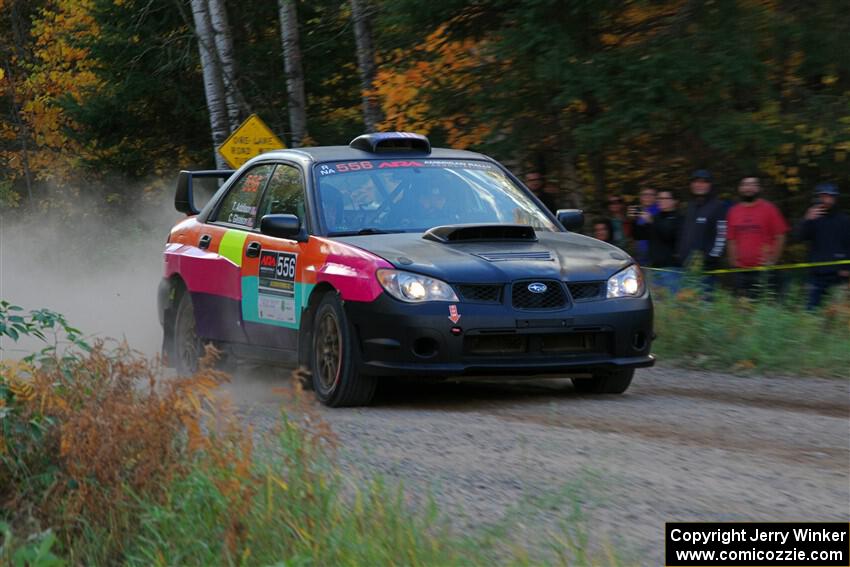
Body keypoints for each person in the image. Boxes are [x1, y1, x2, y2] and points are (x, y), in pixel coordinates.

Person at [726, 176, 789, 297]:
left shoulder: (769, 208)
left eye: (753, 184)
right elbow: (731, 239)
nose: (749, 188)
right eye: (745, 184)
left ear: (759, 188)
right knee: (742, 311)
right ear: (740, 188)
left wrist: (773, 261)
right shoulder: (733, 211)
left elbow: (780, 236)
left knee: (765, 309)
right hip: (741, 272)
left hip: (765, 272)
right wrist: (734, 263)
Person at [797, 182, 850, 309]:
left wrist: (847, 267)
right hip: (816, 273)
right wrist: (807, 220)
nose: (825, 200)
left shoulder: (844, 220)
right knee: (811, 311)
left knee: (838, 311)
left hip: (839, 274)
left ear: (835, 198)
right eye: (822, 196)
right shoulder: (813, 218)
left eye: (829, 196)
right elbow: (800, 237)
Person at [677, 169, 728, 274]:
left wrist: (710, 260)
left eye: (704, 182)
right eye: (696, 182)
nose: (699, 185)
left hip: (707, 269)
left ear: (710, 185)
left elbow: (722, 237)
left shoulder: (718, 207)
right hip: (686, 266)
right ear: (691, 185)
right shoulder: (688, 207)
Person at [632, 190, 682, 292]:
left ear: (674, 201)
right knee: (656, 304)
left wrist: (651, 222)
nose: (661, 201)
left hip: (671, 269)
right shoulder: (656, 217)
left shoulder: (679, 218)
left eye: (665, 198)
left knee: (672, 303)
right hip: (653, 269)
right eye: (659, 198)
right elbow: (639, 236)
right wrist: (635, 219)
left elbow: (668, 235)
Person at [629, 186, 660, 264]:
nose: (647, 197)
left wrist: (651, 222)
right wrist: (632, 220)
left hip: (654, 258)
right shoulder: (639, 211)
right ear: (640, 197)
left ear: (656, 197)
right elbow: (636, 236)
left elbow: (662, 233)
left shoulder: (660, 210)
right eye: (644, 194)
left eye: (651, 194)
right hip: (640, 257)